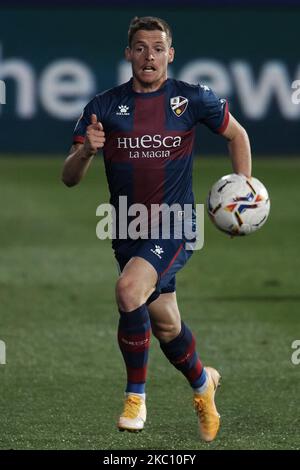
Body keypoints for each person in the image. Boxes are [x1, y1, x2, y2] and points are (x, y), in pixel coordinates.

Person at [62, 16, 251, 442]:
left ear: (171, 54)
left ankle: (135, 398)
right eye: (141, 48)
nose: (150, 56)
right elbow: (69, 177)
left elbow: (236, 136)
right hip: (127, 227)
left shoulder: (192, 99)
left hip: (176, 224)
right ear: (128, 54)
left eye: (158, 48)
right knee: (164, 324)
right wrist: (86, 154)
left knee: (129, 291)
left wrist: (244, 188)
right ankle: (204, 384)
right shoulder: (103, 107)